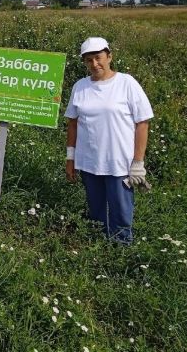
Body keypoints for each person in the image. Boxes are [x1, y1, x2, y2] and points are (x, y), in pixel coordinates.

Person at [64, 37, 153, 243]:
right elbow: (73, 124)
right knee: (96, 211)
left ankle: (121, 252)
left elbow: (142, 123)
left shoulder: (126, 83)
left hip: (119, 163)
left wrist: (138, 163)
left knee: (121, 213)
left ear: (109, 56)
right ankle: (97, 247)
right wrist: (71, 159)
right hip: (89, 163)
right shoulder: (80, 86)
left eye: (98, 58)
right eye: (88, 60)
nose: (94, 64)